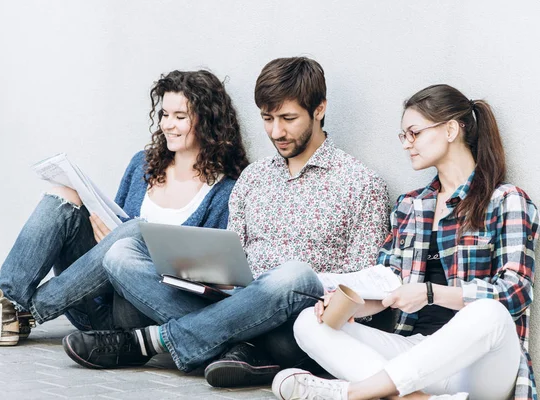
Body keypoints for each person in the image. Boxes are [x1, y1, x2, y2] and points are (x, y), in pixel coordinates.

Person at [61, 57, 390, 387]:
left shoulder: (361, 184)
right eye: (267, 118)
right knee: (121, 255)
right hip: (233, 303)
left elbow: (365, 286)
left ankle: (151, 342)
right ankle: (235, 346)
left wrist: (303, 289)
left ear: (319, 109)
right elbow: (232, 258)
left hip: (298, 317)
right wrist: (203, 274)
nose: (277, 132)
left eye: (288, 119)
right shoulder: (253, 177)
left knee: (293, 274)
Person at [0, 69, 249, 346]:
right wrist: (110, 241)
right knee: (63, 196)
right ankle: (2, 304)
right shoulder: (142, 165)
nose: (168, 125)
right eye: (164, 114)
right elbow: (114, 228)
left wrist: (128, 245)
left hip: (136, 313)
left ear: (207, 122)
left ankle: (16, 315)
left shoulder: (224, 192)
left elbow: (209, 278)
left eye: (179, 117)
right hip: (88, 302)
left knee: (135, 231)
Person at [272, 84, 539, 400]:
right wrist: (344, 304)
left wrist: (430, 293)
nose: (407, 144)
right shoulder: (411, 205)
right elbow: (388, 287)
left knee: (488, 313)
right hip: (416, 355)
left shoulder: (506, 200)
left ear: (451, 129)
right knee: (309, 323)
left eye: (414, 133)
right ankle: (416, 399)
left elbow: (516, 293)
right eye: (404, 136)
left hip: (481, 365)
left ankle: (353, 393)